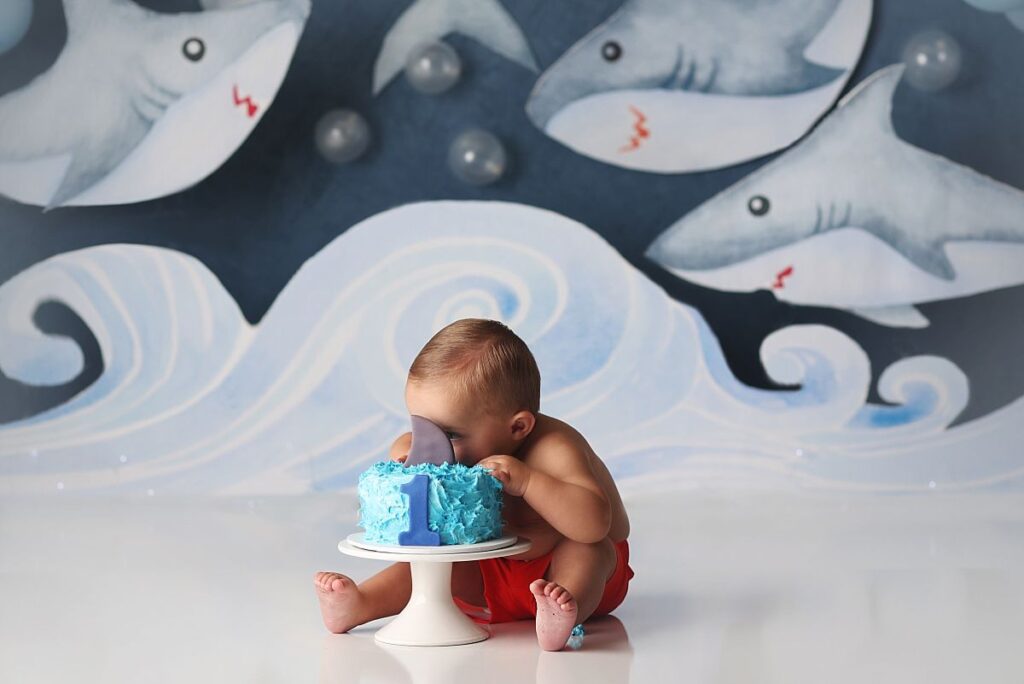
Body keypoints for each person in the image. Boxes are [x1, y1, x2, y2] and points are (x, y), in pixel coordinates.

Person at [314, 318, 633, 651]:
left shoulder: (553, 447)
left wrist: (527, 482)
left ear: (518, 427)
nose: (430, 444)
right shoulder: (457, 443)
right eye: (422, 426)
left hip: (569, 576)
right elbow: (406, 447)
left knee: (586, 551)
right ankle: (362, 604)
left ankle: (565, 615)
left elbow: (596, 526)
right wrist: (405, 455)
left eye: (448, 434)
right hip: (490, 575)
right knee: (430, 565)